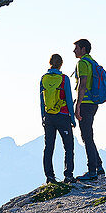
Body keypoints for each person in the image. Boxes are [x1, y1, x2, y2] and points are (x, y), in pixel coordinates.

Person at [39, 53, 76, 184]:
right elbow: (69, 100)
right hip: (63, 116)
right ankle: (68, 175)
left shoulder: (43, 79)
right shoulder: (64, 79)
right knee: (68, 147)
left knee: (49, 147)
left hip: (49, 117)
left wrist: (43, 117)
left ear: (50, 63)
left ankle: (50, 177)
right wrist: (72, 118)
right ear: (61, 64)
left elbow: (41, 101)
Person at [73, 38, 105, 180]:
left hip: (85, 103)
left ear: (83, 49)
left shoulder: (82, 63)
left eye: (76, 48)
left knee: (87, 137)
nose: (74, 51)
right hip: (93, 103)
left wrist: (77, 105)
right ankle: (98, 167)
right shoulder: (92, 62)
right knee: (88, 136)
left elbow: (83, 83)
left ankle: (92, 171)